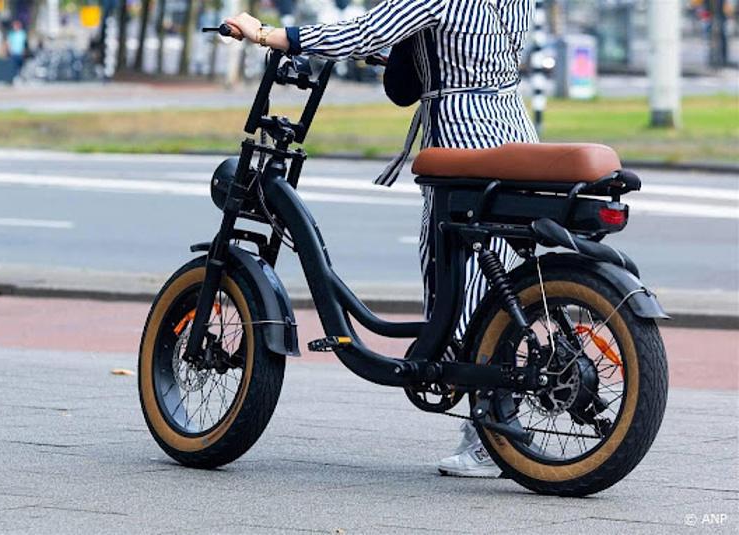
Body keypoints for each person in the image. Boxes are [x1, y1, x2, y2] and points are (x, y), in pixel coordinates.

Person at [225, 0, 539, 478]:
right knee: (489, 270)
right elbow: (457, 47)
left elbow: (365, 29)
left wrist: (267, 34)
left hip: (463, 135)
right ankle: (493, 419)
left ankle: (488, 431)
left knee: (454, 273)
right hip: (511, 127)